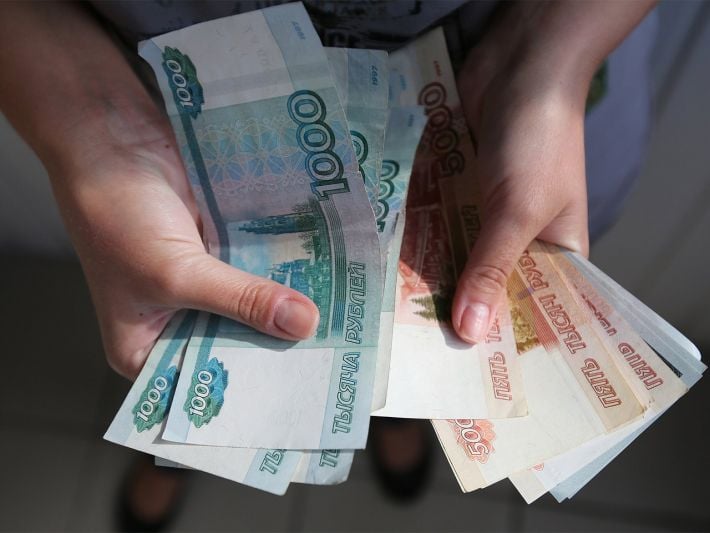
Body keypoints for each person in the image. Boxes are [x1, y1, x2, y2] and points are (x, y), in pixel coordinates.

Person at [0, 0, 656, 528]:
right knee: (190, 335)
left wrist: (553, 56)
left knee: (437, 331)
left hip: (504, 102)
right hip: (159, 114)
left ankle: (392, 415)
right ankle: (179, 449)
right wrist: (95, 127)